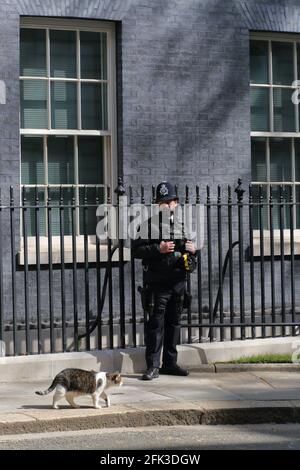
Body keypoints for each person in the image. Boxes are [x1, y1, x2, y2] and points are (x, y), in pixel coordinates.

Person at [132, 181, 197, 380]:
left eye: (168, 202)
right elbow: (136, 251)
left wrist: (193, 252)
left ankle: (170, 363)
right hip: (158, 283)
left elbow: (190, 256)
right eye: (161, 202)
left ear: (176, 203)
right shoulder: (147, 225)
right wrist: (157, 249)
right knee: (155, 325)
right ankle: (153, 366)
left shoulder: (182, 225)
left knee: (174, 324)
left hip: (178, 282)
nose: (165, 205)